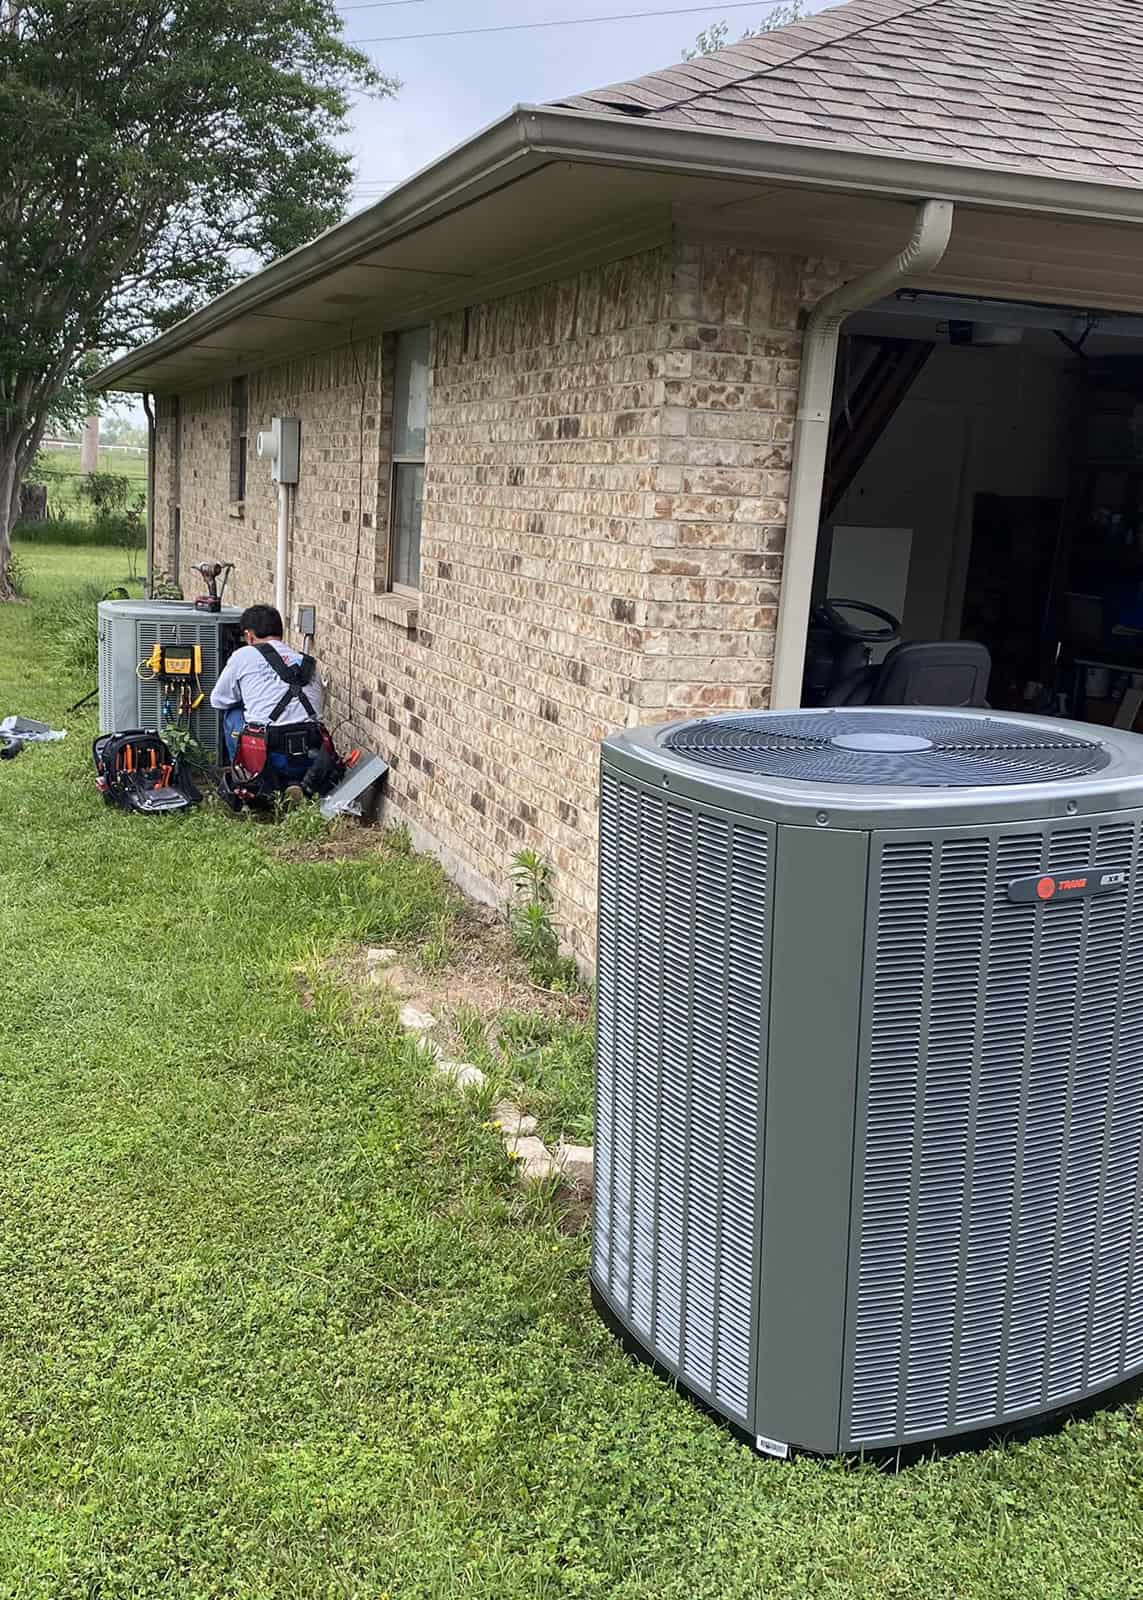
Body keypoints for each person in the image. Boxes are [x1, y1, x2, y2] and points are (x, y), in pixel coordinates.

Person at [210, 604, 323, 763]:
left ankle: (243, 774)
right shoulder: (306, 662)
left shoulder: (243, 655)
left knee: (232, 713)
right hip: (310, 747)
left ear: (249, 636)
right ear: (280, 633)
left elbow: (218, 700)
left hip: (268, 749)